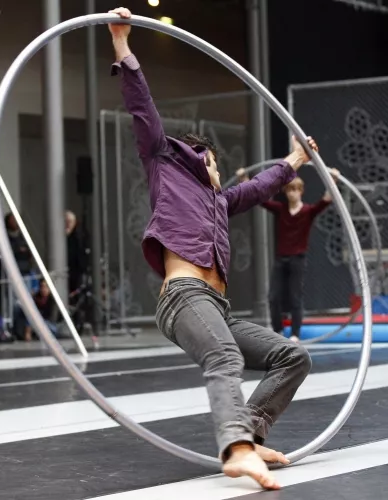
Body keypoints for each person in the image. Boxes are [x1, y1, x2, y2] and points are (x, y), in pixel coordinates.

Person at [108, 7, 315, 490]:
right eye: (217, 164)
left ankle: (252, 430)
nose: (221, 174)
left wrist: (297, 158)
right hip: (183, 298)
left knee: (293, 356)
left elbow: (264, 185)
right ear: (202, 159)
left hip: (215, 307)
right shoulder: (166, 165)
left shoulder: (220, 202)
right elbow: (143, 108)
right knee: (225, 357)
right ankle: (236, 448)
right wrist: (122, 43)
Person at [236, 168, 340, 342]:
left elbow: (326, 200)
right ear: (286, 192)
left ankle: (295, 334)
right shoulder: (281, 209)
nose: (292, 194)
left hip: (297, 259)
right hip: (281, 258)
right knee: (273, 297)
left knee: (295, 297)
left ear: (301, 191)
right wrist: (243, 179)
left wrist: (333, 180)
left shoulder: (308, 211)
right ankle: (278, 331)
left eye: (295, 190)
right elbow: (259, 199)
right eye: (289, 190)